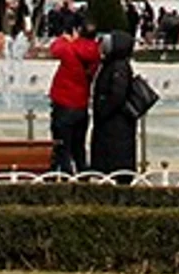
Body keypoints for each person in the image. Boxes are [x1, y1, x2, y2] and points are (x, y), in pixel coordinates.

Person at [46, 20, 101, 175]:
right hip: (81, 104)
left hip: (63, 103)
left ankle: (66, 176)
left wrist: (65, 38)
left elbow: (55, 49)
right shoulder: (95, 52)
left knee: (62, 146)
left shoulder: (70, 47)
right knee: (79, 146)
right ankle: (83, 175)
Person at [88, 30, 140, 179]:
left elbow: (117, 95)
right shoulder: (113, 64)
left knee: (115, 163)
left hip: (115, 125)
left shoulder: (118, 67)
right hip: (113, 124)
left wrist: (102, 110)